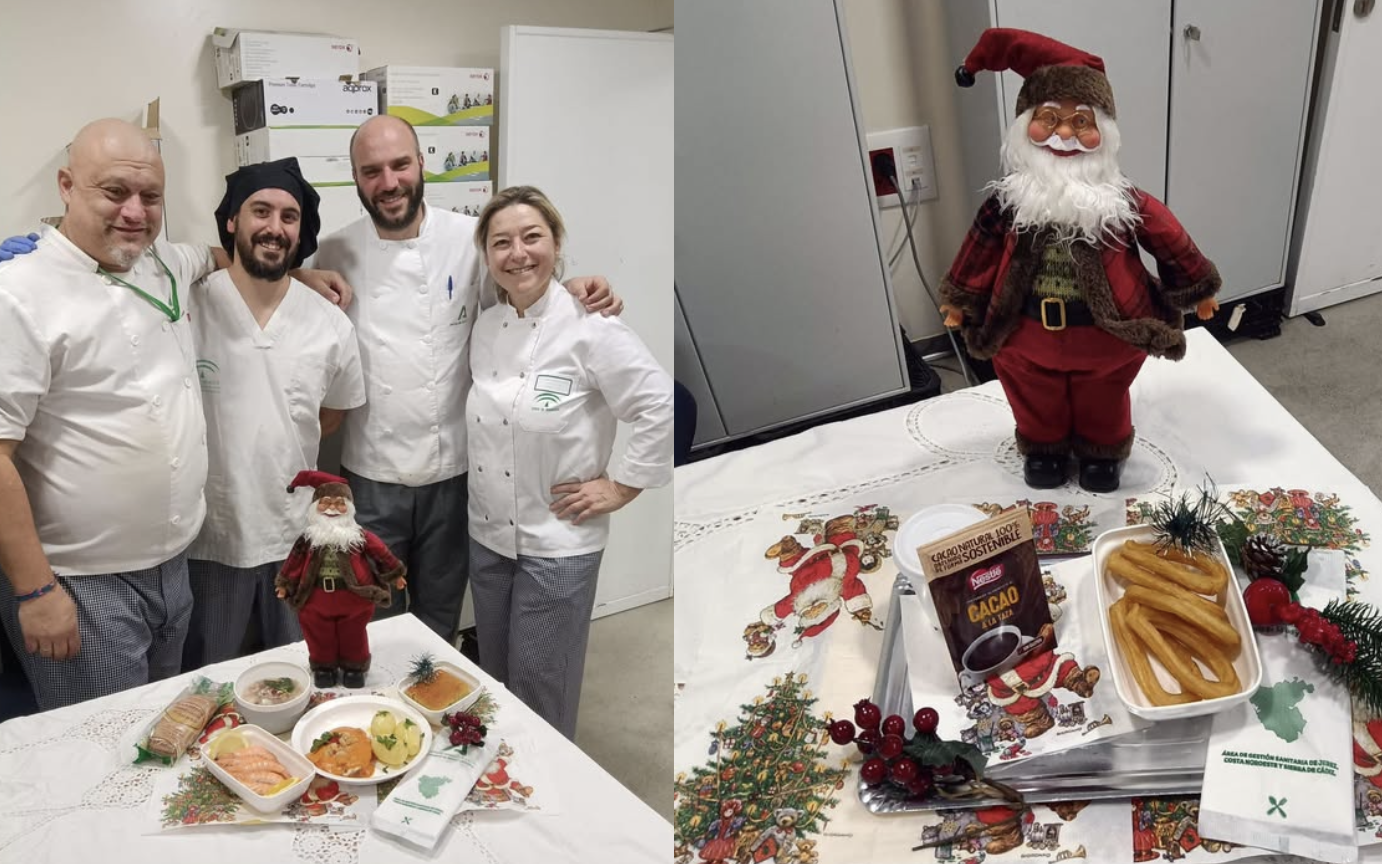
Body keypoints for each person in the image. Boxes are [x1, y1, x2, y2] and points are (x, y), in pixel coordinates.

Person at [311, 115, 620, 647]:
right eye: (372, 171)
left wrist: (572, 287)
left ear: (421, 163)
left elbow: (520, 292)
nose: (389, 182)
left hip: (455, 470)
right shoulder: (334, 251)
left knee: (440, 609)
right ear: (356, 180)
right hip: (371, 471)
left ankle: (434, 707)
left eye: (400, 165)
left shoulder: (467, 239)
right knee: (373, 613)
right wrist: (299, 274)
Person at [0, 119, 222, 710]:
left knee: (159, 733)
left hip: (174, 567)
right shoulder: (19, 291)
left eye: (150, 197)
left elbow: (221, 257)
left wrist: (299, 274)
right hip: (80, 581)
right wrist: (35, 591)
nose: (134, 212)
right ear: (67, 185)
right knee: (99, 752)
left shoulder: (162, 262)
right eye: (114, 191)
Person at [940, 29, 1221, 493]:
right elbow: (979, 251)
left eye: (1080, 123)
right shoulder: (1008, 204)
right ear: (1024, 127)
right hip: (1024, 332)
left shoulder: (1123, 201)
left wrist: (1198, 289)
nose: (1065, 135)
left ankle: (1101, 454)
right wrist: (960, 299)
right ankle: (1044, 449)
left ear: (1103, 134)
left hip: (1105, 334)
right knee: (1032, 394)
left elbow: (1169, 238)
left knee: (1104, 396)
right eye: (1049, 120)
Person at [467, 185, 673, 739]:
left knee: (540, 691)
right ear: (487, 257)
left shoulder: (590, 325)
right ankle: (505, 778)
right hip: (488, 540)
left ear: (557, 243)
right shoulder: (485, 328)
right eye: (501, 242)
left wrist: (621, 485)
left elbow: (659, 402)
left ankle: (550, 801)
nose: (518, 253)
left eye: (532, 237)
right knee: (497, 679)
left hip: (557, 546)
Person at [180, 158, 366, 671]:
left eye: (289, 216)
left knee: (298, 672)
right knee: (209, 679)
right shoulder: (189, 305)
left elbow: (329, 416)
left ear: (301, 231)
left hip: (296, 536)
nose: (274, 227)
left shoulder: (329, 323)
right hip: (210, 537)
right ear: (232, 221)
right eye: (260, 210)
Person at [274, 471, 406, 688]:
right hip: (316, 598)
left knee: (353, 634)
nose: (332, 508)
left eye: (339, 503)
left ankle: (354, 669)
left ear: (350, 508)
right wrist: (285, 584)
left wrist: (395, 575)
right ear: (315, 508)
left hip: (353, 598)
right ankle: (323, 668)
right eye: (325, 503)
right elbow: (293, 563)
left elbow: (381, 554)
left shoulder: (359, 536)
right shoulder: (308, 539)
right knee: (318, 634)